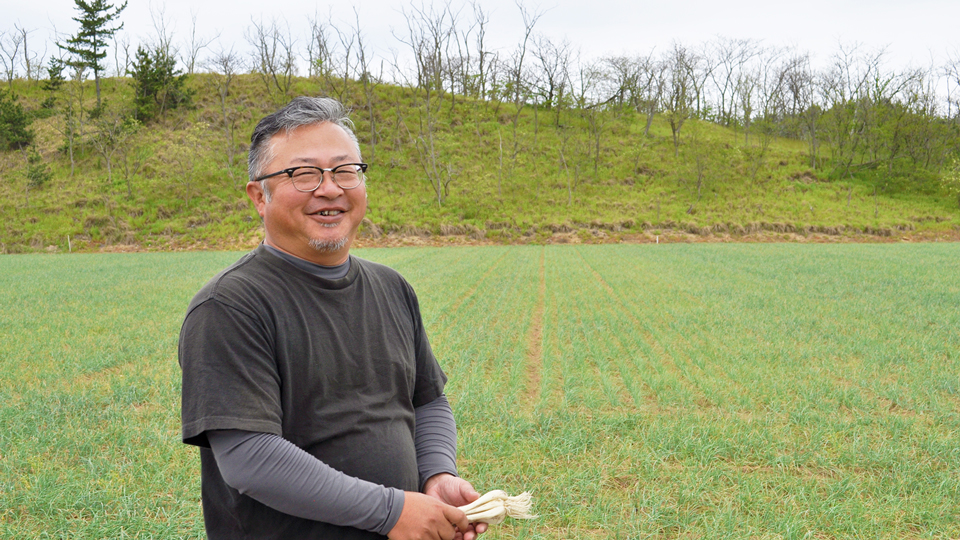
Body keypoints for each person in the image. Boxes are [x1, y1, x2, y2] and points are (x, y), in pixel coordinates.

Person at [178, 96, 487, 540]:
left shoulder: (392, 288)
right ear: (258, 197)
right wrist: (391, 511)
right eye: (303, 174)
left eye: (345, 171)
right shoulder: (230, 306)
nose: (330, 188)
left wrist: (436, 473)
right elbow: (250, 455)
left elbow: (427, 400)